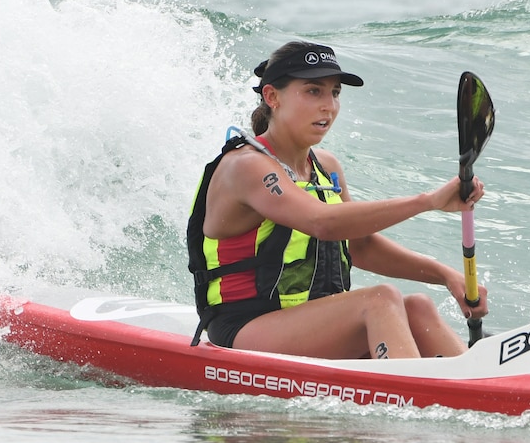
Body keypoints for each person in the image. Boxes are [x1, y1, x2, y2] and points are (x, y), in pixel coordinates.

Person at [187, 41, 487, 359]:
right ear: (272, 96)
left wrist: (448, 276)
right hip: (245, 327)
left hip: (312, 322)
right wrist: (428, 201)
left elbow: (360, 246)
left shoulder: (325, 167)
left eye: (335, 93)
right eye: (314, 91)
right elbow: (322, 222)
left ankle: (480, 389)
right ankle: (415, 397)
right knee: (380, 300)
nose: (328, 105)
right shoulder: (246, 165)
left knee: (417, 307)